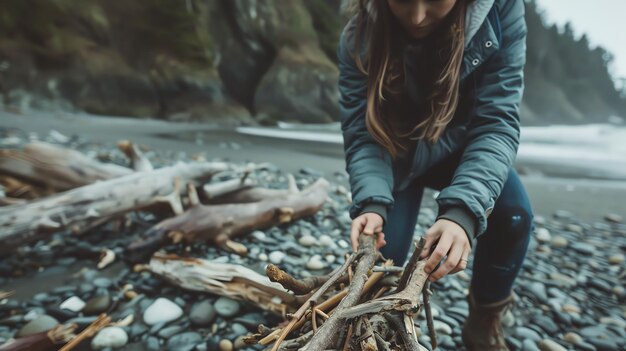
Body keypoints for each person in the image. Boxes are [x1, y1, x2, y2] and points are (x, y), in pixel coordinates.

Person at [337, 0, 534, 350]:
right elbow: (362, 133)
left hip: (463, 146)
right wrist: (371, 202)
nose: (417, 17)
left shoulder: (501, 12)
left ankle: (483, 319)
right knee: (381, 264)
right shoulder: (358, 31)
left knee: (514, 215)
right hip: (394, 152)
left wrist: (461, 214)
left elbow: (496, 123)